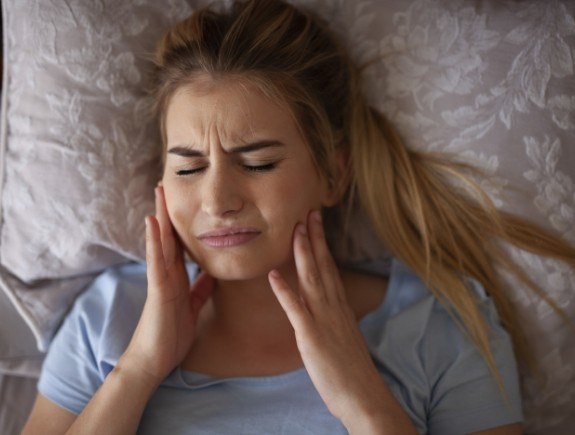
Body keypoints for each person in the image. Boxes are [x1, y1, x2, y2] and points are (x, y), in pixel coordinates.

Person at [22, 0, 574, 433]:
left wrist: (367, 406)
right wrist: (138, 371)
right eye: (188, 169)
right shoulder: (107, 318)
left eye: (258, 162)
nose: (218, 201)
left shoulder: (439, 329)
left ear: (333, 175)